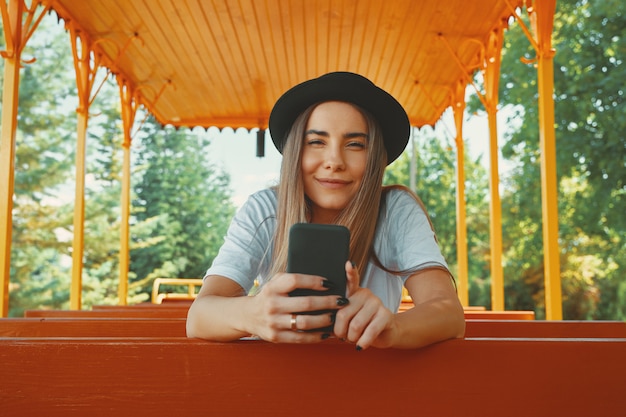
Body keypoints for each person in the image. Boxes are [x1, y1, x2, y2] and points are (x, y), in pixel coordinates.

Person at [186, 71, 465, 350]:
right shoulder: (263, 209)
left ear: (374, 158)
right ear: (296, 150)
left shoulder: (395, 211)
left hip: (371, 383)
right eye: (317, 142)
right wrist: (253, 314)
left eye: (355, 144)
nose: (334, 161)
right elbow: (199, 317)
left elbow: (448, 313)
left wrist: (395, 327)